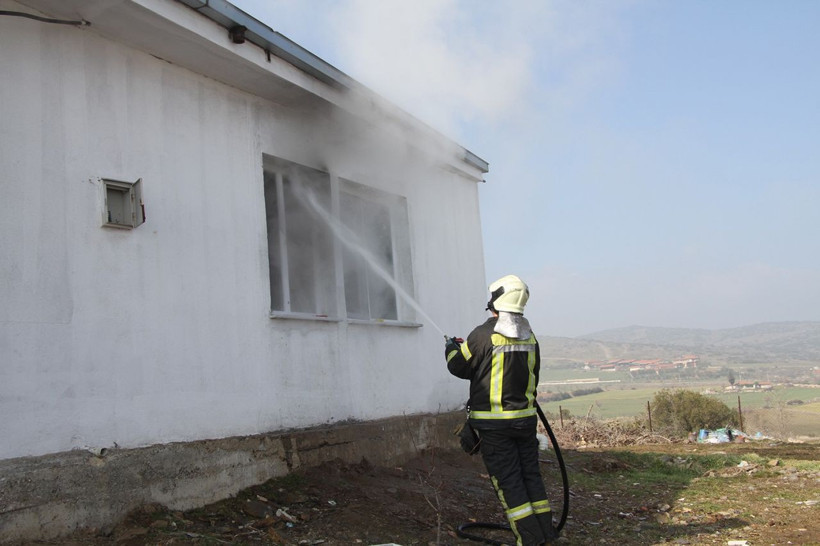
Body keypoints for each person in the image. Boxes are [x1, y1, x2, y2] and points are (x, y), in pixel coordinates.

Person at [445, 275, 556, 545]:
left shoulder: (482, 335)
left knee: (509, 483)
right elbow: (532, 374)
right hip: (526, 422)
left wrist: (451, 348)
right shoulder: (530, 336)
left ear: (494, 301)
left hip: (495, 427)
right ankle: (545, 534)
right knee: (531, 477)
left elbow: (458, 366)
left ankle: (529, 540)